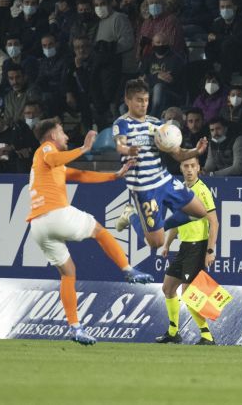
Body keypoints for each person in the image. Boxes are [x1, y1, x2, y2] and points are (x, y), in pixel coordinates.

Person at [26, 120, 154, 346]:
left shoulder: (51, 165)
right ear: (53, 135)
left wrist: (115, 175)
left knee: (68, 273)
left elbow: (82, 176)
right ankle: (127, 268)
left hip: (38, 226)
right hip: (55, 214)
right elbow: (52, 157)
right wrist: (84, 149)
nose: (66, 136)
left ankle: (75, 327)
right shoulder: (47, 149)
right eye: (63, 132)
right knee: (98, 230)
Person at [113, 80, 209, 249]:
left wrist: (195, 151)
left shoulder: (156, 124)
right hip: (144, 188)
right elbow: (120, 145)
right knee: (156, 243)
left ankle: (156, 227)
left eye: (146, 100)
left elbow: (178, 154)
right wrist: (128, 150)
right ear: (128, 100)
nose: (144, 104)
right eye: (139, 100)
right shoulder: (122, 123)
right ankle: (131, 216)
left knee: (200, 212)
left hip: (164, 179)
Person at [156, 157, 219, 345]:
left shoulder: (202, 191)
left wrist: (210, 250)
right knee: (167, 288)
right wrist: (167, 243)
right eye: (186, 166)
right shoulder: (181, 191)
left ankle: (206, 335)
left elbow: (214, 222)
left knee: (189, 293)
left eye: (193, 166)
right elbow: (178, 220)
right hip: (184, 246)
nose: (190, 169)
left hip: (198, 247)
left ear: (199, 168)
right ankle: (173, 332)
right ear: (182, 169)